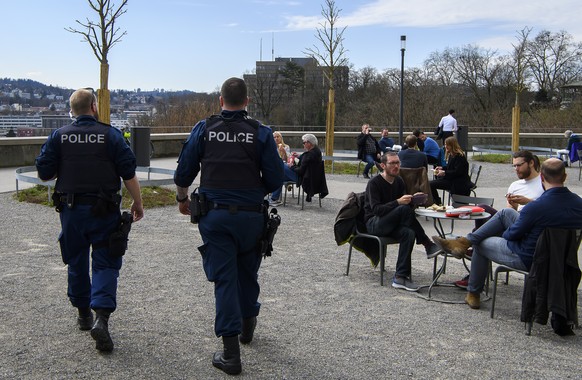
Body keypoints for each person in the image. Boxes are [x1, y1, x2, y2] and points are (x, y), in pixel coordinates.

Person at [174, 78, 283, 375]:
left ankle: (231, 353)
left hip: (216, 217)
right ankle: (248, 325)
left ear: (220, 101)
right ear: (247, 102)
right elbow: (275, 180)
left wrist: (182, 199)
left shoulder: (204, 129)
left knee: (225, 280)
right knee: (248, 271)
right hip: (251, 218)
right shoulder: (260, 133)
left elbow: (184, 171)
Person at [35, 88, 144, 352]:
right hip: (104, 211)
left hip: (72, 211)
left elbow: (44, 175)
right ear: (94, 107)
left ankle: (83, 313)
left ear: (72, 110)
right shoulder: (111, 136)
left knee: (76, 259)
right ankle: (101, 319)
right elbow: (128, 173)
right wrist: (138, 203)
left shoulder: (59, 137)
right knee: (106, 262)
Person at [433, 158, 582, 309]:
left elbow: (511, 236)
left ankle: (473, 291)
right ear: (565, 177)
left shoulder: (535, 207)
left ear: (542, 177)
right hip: (564, 259)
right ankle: (465, 242)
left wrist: (507, 231)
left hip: (531, 258)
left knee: (482, 242)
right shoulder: (579, 204)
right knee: (506, 213)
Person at [453, 151, 544, 289]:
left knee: (486, 231)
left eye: (519, 165)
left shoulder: (543, 183)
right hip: (514, 226)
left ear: (531, 163)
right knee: (484, 209)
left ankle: (469, 244)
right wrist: (513, 205)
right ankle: (472, 242)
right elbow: (510, 211)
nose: (516, 169)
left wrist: (527, 202)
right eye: (514, 166)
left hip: (530, 229)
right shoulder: (515, 185)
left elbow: (546, 209)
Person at [364, 152, 441, 292]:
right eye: (392, 163)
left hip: (391, 223)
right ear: (383, 165)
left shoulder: (399, 181)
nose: (396, 166)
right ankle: (426, 243)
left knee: (409, 233)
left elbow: (405, 209)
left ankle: (400, 277)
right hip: (374, 224)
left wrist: (414, 200)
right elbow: (376, 210)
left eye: (398, 163)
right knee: (403, 210)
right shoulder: (374, 183)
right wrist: (398, 202)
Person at [429, 136, 472, 205]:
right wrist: (442, 168)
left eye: (447, 145)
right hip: (452, 179)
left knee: (430, 184)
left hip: (457, 182)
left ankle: (438, 203)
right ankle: (437, 202)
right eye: (445, 144)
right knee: (429, 184)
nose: (445, 146)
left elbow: (457, 172)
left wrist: (444, 173)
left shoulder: (459, 156)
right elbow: (451, 167)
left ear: (452, 145)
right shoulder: (452, 155)